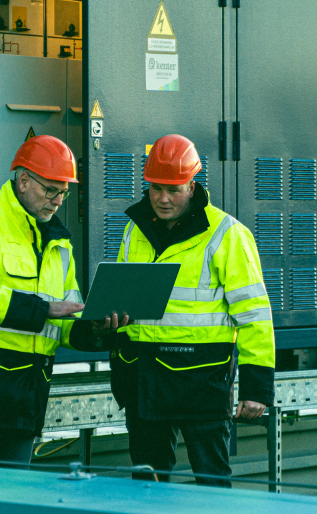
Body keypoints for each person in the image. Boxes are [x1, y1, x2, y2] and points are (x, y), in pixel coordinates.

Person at [0, 135, 120, 465]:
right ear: (24, 180)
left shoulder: (60, 246)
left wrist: (97, 329)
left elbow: (65, 326)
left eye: (64, 193)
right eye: (51, 190)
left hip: (25, 403)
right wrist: (43, 309)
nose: (58, 201)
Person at [110, 134, 275, 487]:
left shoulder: (227, 234)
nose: (163, 199)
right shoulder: (133, 229)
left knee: (211, 486)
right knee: (146, 485)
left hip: (201, 383)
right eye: (155, 188)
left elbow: (254, 314)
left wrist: (256, 386)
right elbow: (125, 306)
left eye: (174, 189)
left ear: (193, 185)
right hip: (146, 381)